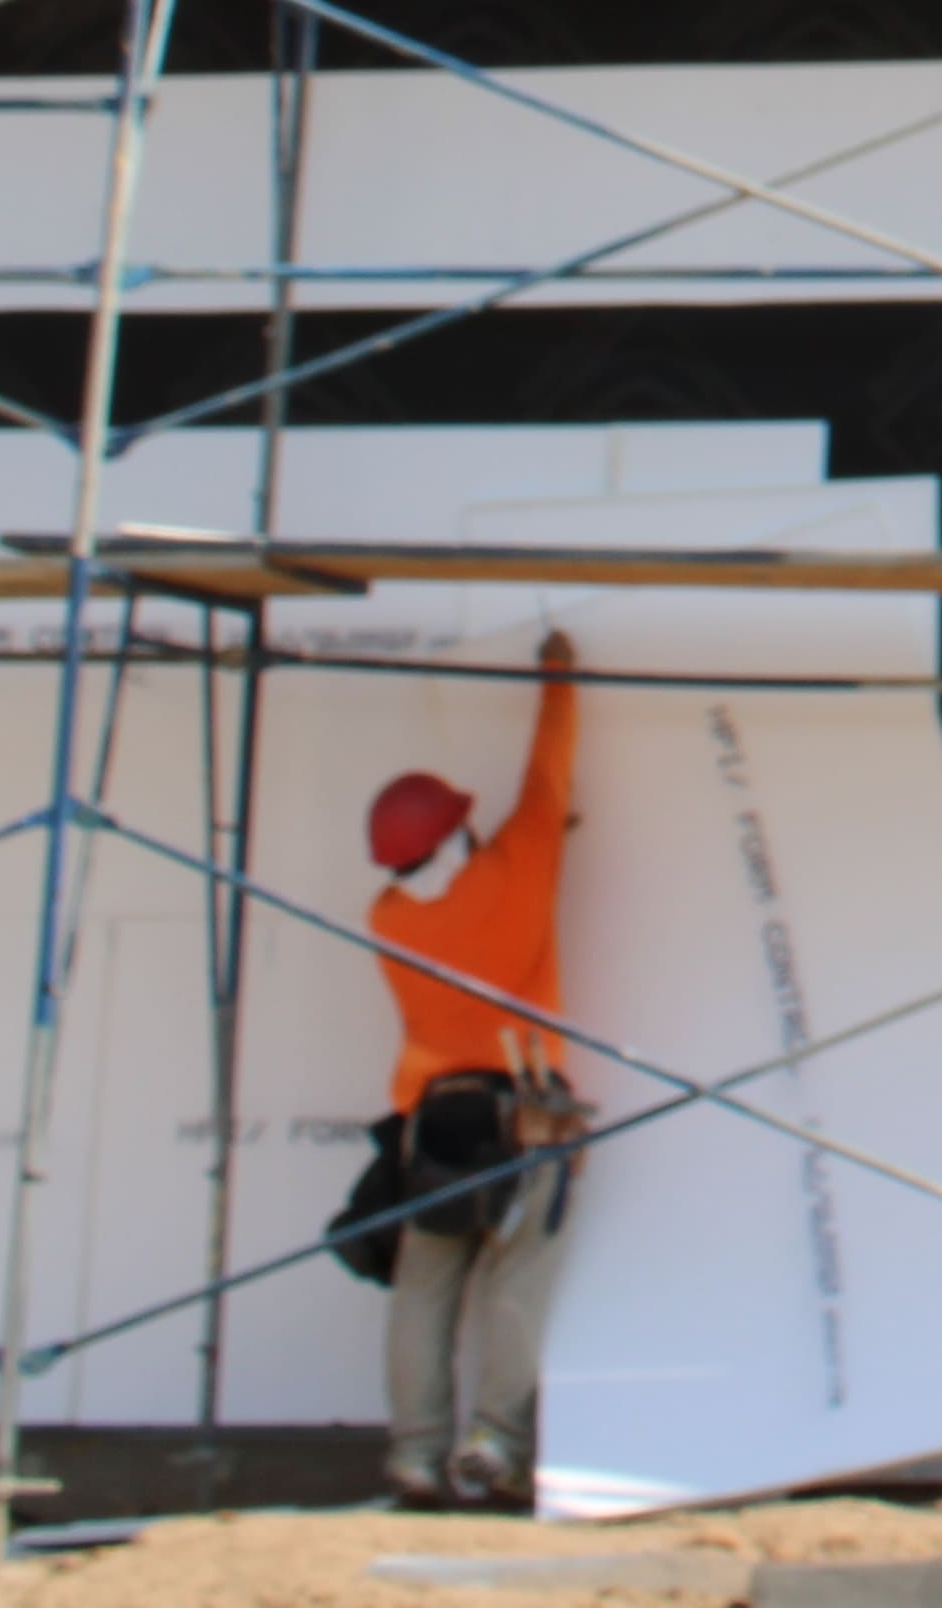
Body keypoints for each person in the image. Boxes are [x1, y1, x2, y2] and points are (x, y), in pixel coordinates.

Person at [361, 626, 586, 1506]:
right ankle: (493, 1443)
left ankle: (414, 1453)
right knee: (518, 1277)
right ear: (460, 834)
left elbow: (451, 901)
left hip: (434, 1121)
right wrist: (558, 676)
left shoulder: (387, 919)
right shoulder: (520, 864)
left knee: (425, 1290)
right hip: (528, 1107)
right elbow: (548, 772)